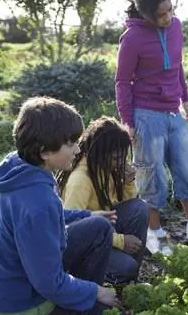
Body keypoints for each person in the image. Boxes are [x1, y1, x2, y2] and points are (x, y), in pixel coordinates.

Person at [0, 97, 116, 315]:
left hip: (4, 285)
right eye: (70, 144)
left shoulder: (18, 167)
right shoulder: (37, 203)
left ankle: (80, 296)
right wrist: (96, 292)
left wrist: (85, 214)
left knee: (98, 226)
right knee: (99, 306)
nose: (78, 150)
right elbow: (49, 284)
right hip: (21, 305)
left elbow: (49, 217)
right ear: (44, 151)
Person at [115, 0, 188, 254]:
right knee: (152, 176)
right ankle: (155, 233)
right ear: (147, 15)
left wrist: (185, 98)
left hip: (172, 112)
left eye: (170, 10)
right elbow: (122, 82)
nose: (168, 17)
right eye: (161, 14)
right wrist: (128, 121)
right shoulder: (131, 39)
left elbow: (177, 64)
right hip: (146, 114)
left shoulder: (176, 27)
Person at [57, 116, 149, 284]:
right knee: (126, 267)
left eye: (122, 157)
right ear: (99, 152)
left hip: (106, 227)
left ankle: (130, 279)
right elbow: (70, 229)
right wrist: (121, 241)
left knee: (139, 208)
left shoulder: (105, 167)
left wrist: (128, 182)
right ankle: (97, 278)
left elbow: (126, 205)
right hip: (88, 243)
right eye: (116, 159)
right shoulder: (80, 181)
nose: (120, 162)